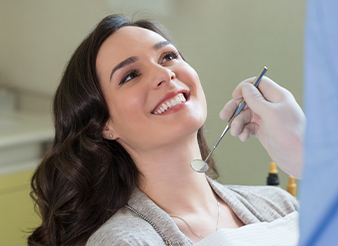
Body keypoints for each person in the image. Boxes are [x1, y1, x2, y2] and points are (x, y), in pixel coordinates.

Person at [28, 14, 305, 246]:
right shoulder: (125, 241)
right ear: (104, 126)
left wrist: (306, 157)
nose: (165, 74)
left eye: (168, 56)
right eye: (131, 75)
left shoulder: (281, 205)